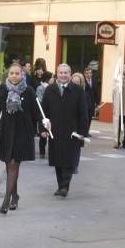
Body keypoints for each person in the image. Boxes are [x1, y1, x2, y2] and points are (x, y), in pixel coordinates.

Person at [0, 62, 42, 214]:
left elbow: (37, 112)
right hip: (6, 130)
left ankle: (6, 200)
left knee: (13, 164)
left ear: (22, 75)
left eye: (17, 73)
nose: (14, 76)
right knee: (8, 164)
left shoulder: (29, 91)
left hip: (23, 131)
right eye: (11, 73)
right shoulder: (2, 90)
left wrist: (42, 129)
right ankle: (15, 196)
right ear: (8, 75)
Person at [40, 64, 89, 197]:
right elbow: (44, 111)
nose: (63, 75)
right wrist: (42, 129)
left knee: (69, 159)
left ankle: (65, 186)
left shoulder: (78, 91)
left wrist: (83, 133)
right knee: (57, 160)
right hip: (54, 130)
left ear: (70, 73)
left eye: (66, 73)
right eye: (61, 73)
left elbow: (84, 114)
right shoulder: (50, 89)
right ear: (57, 73)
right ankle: (60, 185)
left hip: (72, 131)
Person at [36, 71, 53, 158]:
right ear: (47, 78)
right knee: (43, 132)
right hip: (43, 112)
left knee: (51, 131)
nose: (53, 79)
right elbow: (40, 99)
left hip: (51, 111)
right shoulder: (40, 88)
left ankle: (52, 151)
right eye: (52, 77)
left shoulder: (52, 87)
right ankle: (42, 151)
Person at [84, 67, 100, 135]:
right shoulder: (82, 81)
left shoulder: (94, 81)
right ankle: (83, 131)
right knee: (85, 118)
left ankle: (87, 131)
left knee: (90, 118)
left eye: (90, 73)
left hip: (92, 103)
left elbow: (96, 92)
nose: (88, 74)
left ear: (92, 74)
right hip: (84, 103)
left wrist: (97, 103)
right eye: (87, 73)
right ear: (84, 74)